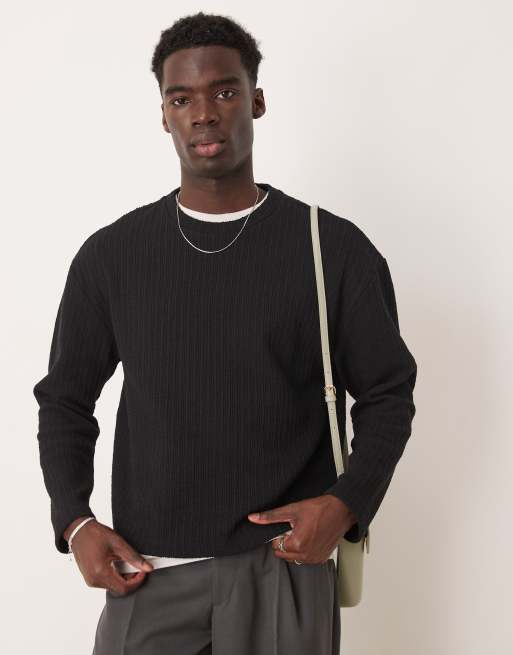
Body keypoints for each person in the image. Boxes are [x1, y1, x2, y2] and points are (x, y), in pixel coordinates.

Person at [33, 11, 417, 655]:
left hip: (284, 565)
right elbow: (65, 399)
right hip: (148, 571)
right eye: (181, 99)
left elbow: (388, 392)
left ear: (257, 101)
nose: (204, 114)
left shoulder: (331, 248)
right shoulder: (112, 256)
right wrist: (74, 521)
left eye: (224, 92)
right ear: (164, 116)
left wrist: (346, 504)